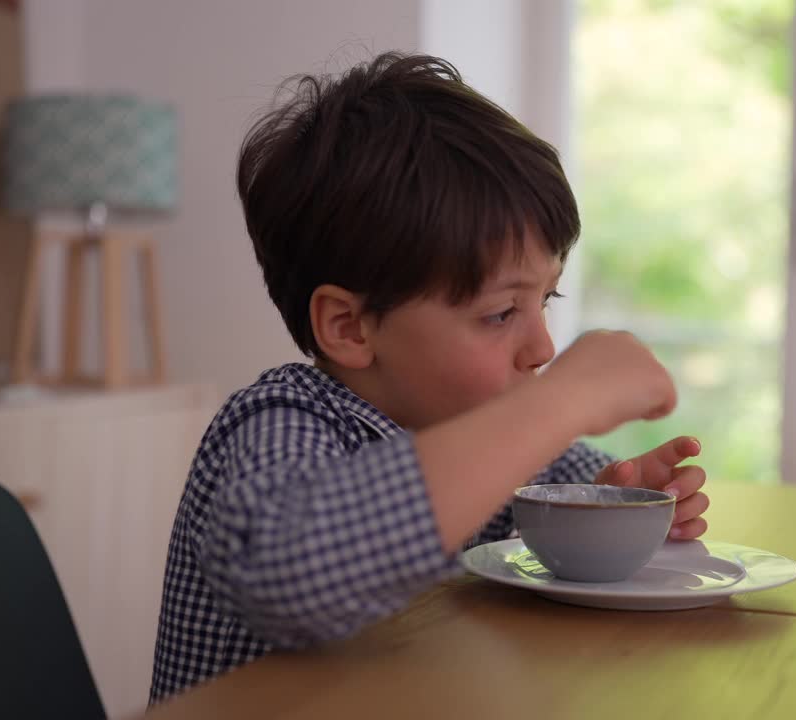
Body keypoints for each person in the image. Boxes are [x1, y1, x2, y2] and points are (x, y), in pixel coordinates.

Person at [149, 51, 709, 703]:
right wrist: (564, 398)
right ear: (351, 327)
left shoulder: (467, 422)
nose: (542, 347)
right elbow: (289, 573)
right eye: (501, 313)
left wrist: (620, 495)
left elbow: (560, 481)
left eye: (545, 301)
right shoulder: (284, 420)